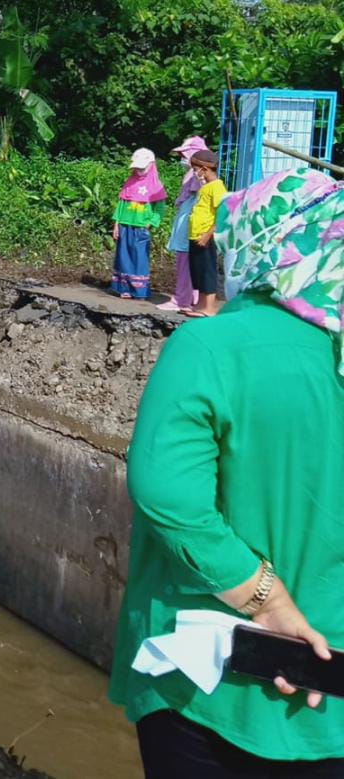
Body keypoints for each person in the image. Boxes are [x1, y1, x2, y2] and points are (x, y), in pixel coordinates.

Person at [109, 167, 344, 777]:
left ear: (261, 244)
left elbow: (168, 493)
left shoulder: (211, 347)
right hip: (332, 691)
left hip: (206, 675)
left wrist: (263, 598)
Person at [157, 136, 208, 312]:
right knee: (190, 262)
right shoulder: (192, 175)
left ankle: (181, 299)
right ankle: (192, 295)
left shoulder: (200, 177)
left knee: (185, 262)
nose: (182, 159)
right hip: (188, 222)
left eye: (184, 154)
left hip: (191, 226)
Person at [111, 148, 167, 299]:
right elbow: (121, 203)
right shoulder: (130, 181)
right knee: (123, 256)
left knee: (139, 258)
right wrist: (116, 224)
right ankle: (124, 288)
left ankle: (139, 290)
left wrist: (151, 223)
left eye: (142, 168)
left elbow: (160, 208)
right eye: (136, 168)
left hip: (141, 227)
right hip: (125, 225)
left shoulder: (156, 185)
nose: (139, 171)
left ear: (151, 165)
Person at [186, 149, 227, 317]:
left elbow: (222, 214)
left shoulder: (217, 187)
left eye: (195, 169)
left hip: (205, 237)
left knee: (207, 271)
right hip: (195, 235)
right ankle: (201, 305)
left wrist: (207, 234)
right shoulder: (206, 187)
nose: (195, 173)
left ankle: (209, 307)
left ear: (204, 169)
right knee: (198, 271)